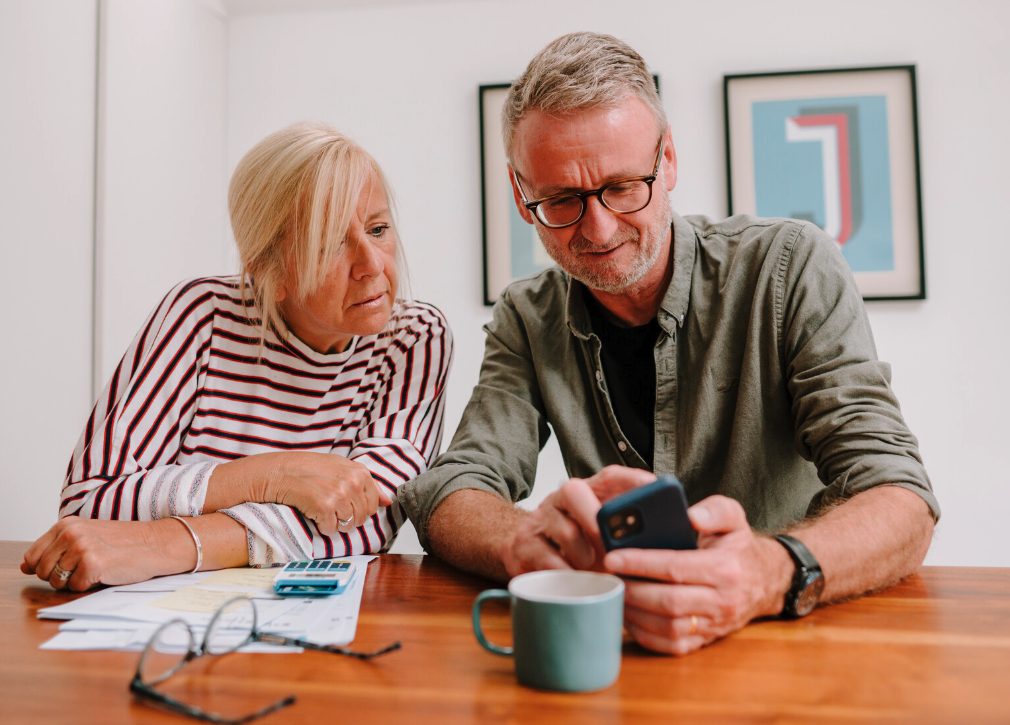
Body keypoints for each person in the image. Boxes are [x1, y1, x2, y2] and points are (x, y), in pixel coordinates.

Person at [398, 32, 938, 655]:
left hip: (787, 636)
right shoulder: (527, 315)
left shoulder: (788, 266)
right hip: (620, 646)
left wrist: (767, 573)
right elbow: (452, 486)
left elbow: (902, 498)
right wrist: (521, 542)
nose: (598, 230)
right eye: (563, 200)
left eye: (625, 186)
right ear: (523, 197)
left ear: (670, 159)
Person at [22, 122, 452, 591]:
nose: (372, 264)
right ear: (269, 271)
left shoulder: (414, 338)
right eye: (329, 244)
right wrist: (276, 475)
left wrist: (164, 544)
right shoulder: (201, 316)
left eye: (378, 229)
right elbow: (89, 503)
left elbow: (368, 518)